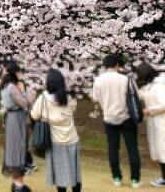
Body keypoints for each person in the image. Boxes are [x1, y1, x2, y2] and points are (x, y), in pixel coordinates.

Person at [92, 54, 141, 188]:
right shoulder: (125, 79)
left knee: (113, 148)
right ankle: (135, 179)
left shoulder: (98, 80)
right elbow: (137, 96)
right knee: (132, 148)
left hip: (109, 117)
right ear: (117, 65)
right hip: (127, 117)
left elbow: (95, 98)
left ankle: (117, 177)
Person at [31, 69, 82, 192]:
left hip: (55, 140)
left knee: (60, 175)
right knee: (75, 173)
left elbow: (34, 115)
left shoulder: (43, 98)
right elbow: (72, 110)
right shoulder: (70, 97)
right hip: (72, 138)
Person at [0, 61, 36, 192]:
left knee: (14, 148)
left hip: (12, 118)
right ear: (15, 73)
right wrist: (31, 94)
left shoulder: (6, 86)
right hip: (16, 119)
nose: (20, 74)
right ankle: (19, 184)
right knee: (17, 148)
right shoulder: (12, 87)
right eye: (19, 71)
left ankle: (16, 182)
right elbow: (24, 103)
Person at [135, 62, 165, 187]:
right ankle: (164, 178)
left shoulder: (159, 86)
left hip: (161, 121)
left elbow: (164, 104)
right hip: (155, 121)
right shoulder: (152, 86)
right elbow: (145, 95)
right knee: (160, 151)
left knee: (163, 150)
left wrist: (148, 110)